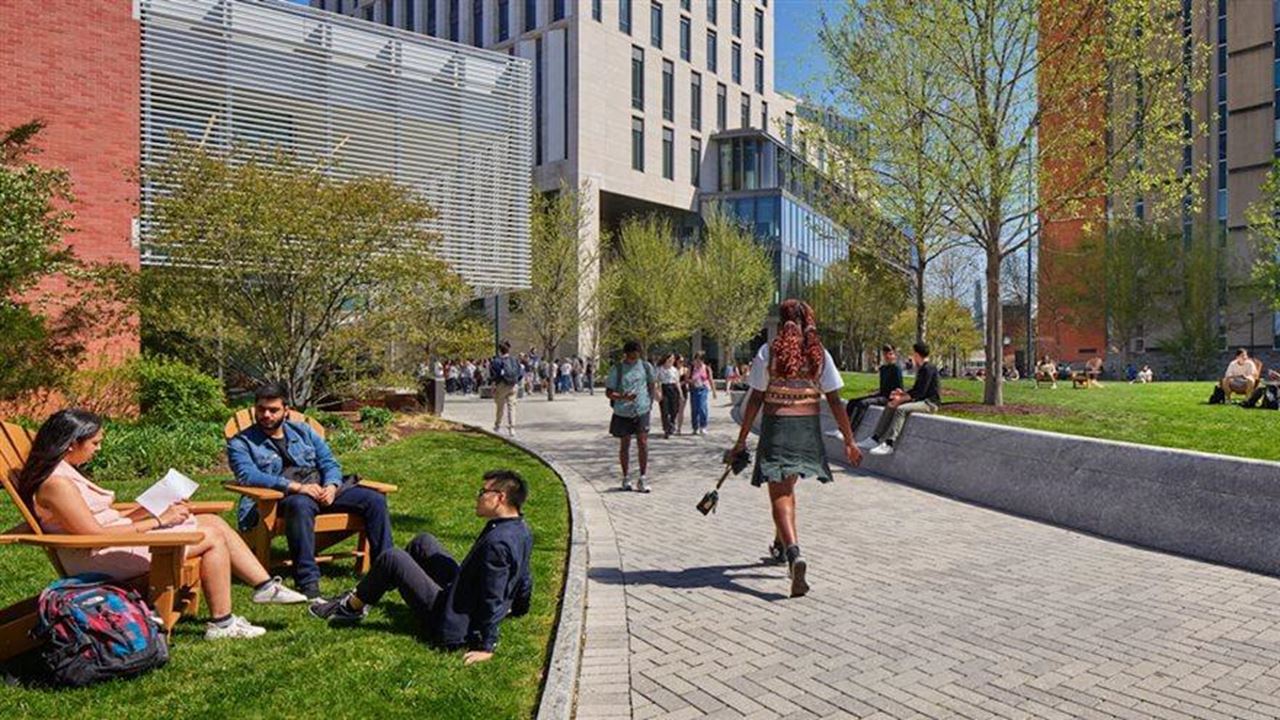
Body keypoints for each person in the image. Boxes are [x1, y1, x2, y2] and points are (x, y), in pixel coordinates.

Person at [20, 409, 307, 640]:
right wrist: (158, 520)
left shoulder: (65, 472)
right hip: (97, 557)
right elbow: (93, 534)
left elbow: (100, 519)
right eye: (95, 443)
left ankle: (263, 586)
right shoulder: (57, 483)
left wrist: (151, 508)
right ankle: (223, 622)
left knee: (210, 521)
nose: (99, 448)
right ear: (72, 443)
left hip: (111, 543)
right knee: (210, 536)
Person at [310, 470, 532, 666]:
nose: (478, 496)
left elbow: (492, 595)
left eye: (483, 492)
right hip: (462, 596)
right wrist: (519, 608)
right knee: (423, 542)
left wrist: (487, 645)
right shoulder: (520, 529)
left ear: (500, 498)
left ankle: (351, 607)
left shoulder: (496, 543)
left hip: (452, 622)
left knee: (392, 558)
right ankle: (379, 583)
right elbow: (524, 575)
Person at [730, 299, 860, 598]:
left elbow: (755, 399)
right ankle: (779, 544)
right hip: (807, 431)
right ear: (808, 321)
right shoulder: (819, 354)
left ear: (781, 322)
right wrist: (850, 441)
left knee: (780, 493)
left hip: (778, 428)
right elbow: (835, 401)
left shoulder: (769, 352)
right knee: (788, 489)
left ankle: (793, 553)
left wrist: (741, 440)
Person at [227, 383, 394, 600]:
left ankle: (387, 570)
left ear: (286, 410)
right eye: (261, 409)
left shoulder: (304, 432)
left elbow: (329, 463)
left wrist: (332, 486)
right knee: (300, 504)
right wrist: (297, 487)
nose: (266, 415)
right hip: (278, 499)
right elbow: (248, 475)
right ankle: (308, 581)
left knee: (374, 499)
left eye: (273, 410)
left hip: (318, 489)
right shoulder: (242, 442)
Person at [861, 342, 941, 456]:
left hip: (930, 403)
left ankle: (889, 443)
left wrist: (900, 399)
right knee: (890, 405)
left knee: (901, 409)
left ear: (917, 354)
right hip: (921, 400)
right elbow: (916, 390)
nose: (912, 356)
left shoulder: (928, 368)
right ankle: (875, 438)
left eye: (913, 353)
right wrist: (902, 393)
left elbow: (920, 393)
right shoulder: (923, 368)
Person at [605, 340, 660, 493]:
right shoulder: (617, 369)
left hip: (641, 410)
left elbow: (651, 384)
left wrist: (649, 402)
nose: (634, 359)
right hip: (623, 411)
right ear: (626, 354)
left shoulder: (646, 366)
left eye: (636, 355)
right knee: (625, 444)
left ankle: (642, 477)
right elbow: (609, 392)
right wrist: (623, 397)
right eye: (631, 356)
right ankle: (626, 477)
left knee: (643, 442)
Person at [844, 345, 903, 433]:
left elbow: (900, 388)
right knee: (852, 402)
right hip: (881, 394)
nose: (887, 356)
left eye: (890, 354)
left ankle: (851, 430)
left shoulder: (896, 369)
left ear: (894, 355)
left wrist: (895, 397)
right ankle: (843, 427)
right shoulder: (883, 369)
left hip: (888, 398)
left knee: (863, 403)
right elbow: (883, 386)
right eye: (885, 354)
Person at [490, 340, 522, 435]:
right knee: (511, 406)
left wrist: (494, 385)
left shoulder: (497, 361)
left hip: (502, 385)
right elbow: (520, 373)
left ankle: (497, 425)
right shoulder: (514, 360)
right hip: (513, 385)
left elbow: (494, 375)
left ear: (500, 350)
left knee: (500, 407)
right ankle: (512, 428)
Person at [688, 352, 714, 435]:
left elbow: (711, 379)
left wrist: (714, 391)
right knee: (694, 408)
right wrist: (692, 381)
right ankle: (695, 427)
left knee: (702, 407)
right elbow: (687, 379)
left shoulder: (706, 368)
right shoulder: (692, 368)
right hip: (694, 389)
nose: (698, 361)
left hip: (703, 388)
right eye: (696, 359)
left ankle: (703, 426)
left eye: (700, 359)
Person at [656, 354, 681, 439]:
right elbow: (657, 381)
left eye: (673, 359)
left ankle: (672, 423)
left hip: (673, 389)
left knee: (674, 409)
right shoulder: (660, 369)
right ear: (666, 359)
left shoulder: (674, 370)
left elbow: (677, 382)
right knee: (665, 410)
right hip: (664, 388)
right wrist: (658, 392)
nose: (672, 360)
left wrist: (680, 393)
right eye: (670, 359)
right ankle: (666, 429)